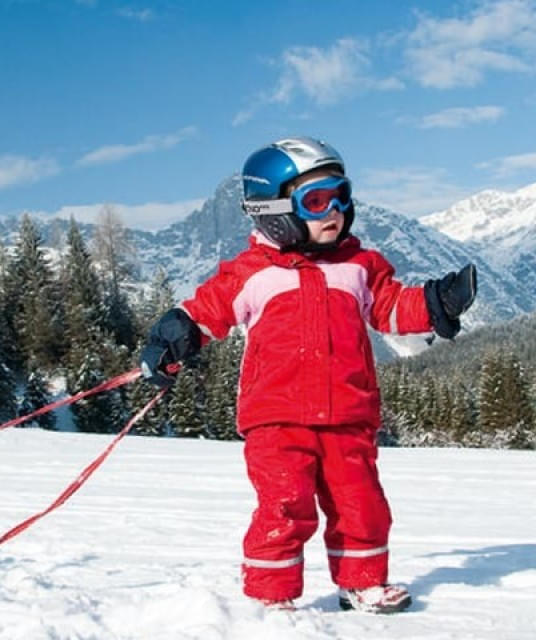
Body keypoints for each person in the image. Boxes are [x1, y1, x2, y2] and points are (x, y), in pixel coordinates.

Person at [140, 136, 477, 614]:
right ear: (273, 209)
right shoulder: (251, 273)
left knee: (360, 505)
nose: (334, 211)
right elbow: (205, 312)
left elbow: (390, 308)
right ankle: (273, 597)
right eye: (316, 201)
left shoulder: (359, 266)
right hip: (277, 418)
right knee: (284, 506)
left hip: (348, 414)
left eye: (341, 195)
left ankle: (361, 583)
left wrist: (435, 303)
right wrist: (173, 337)